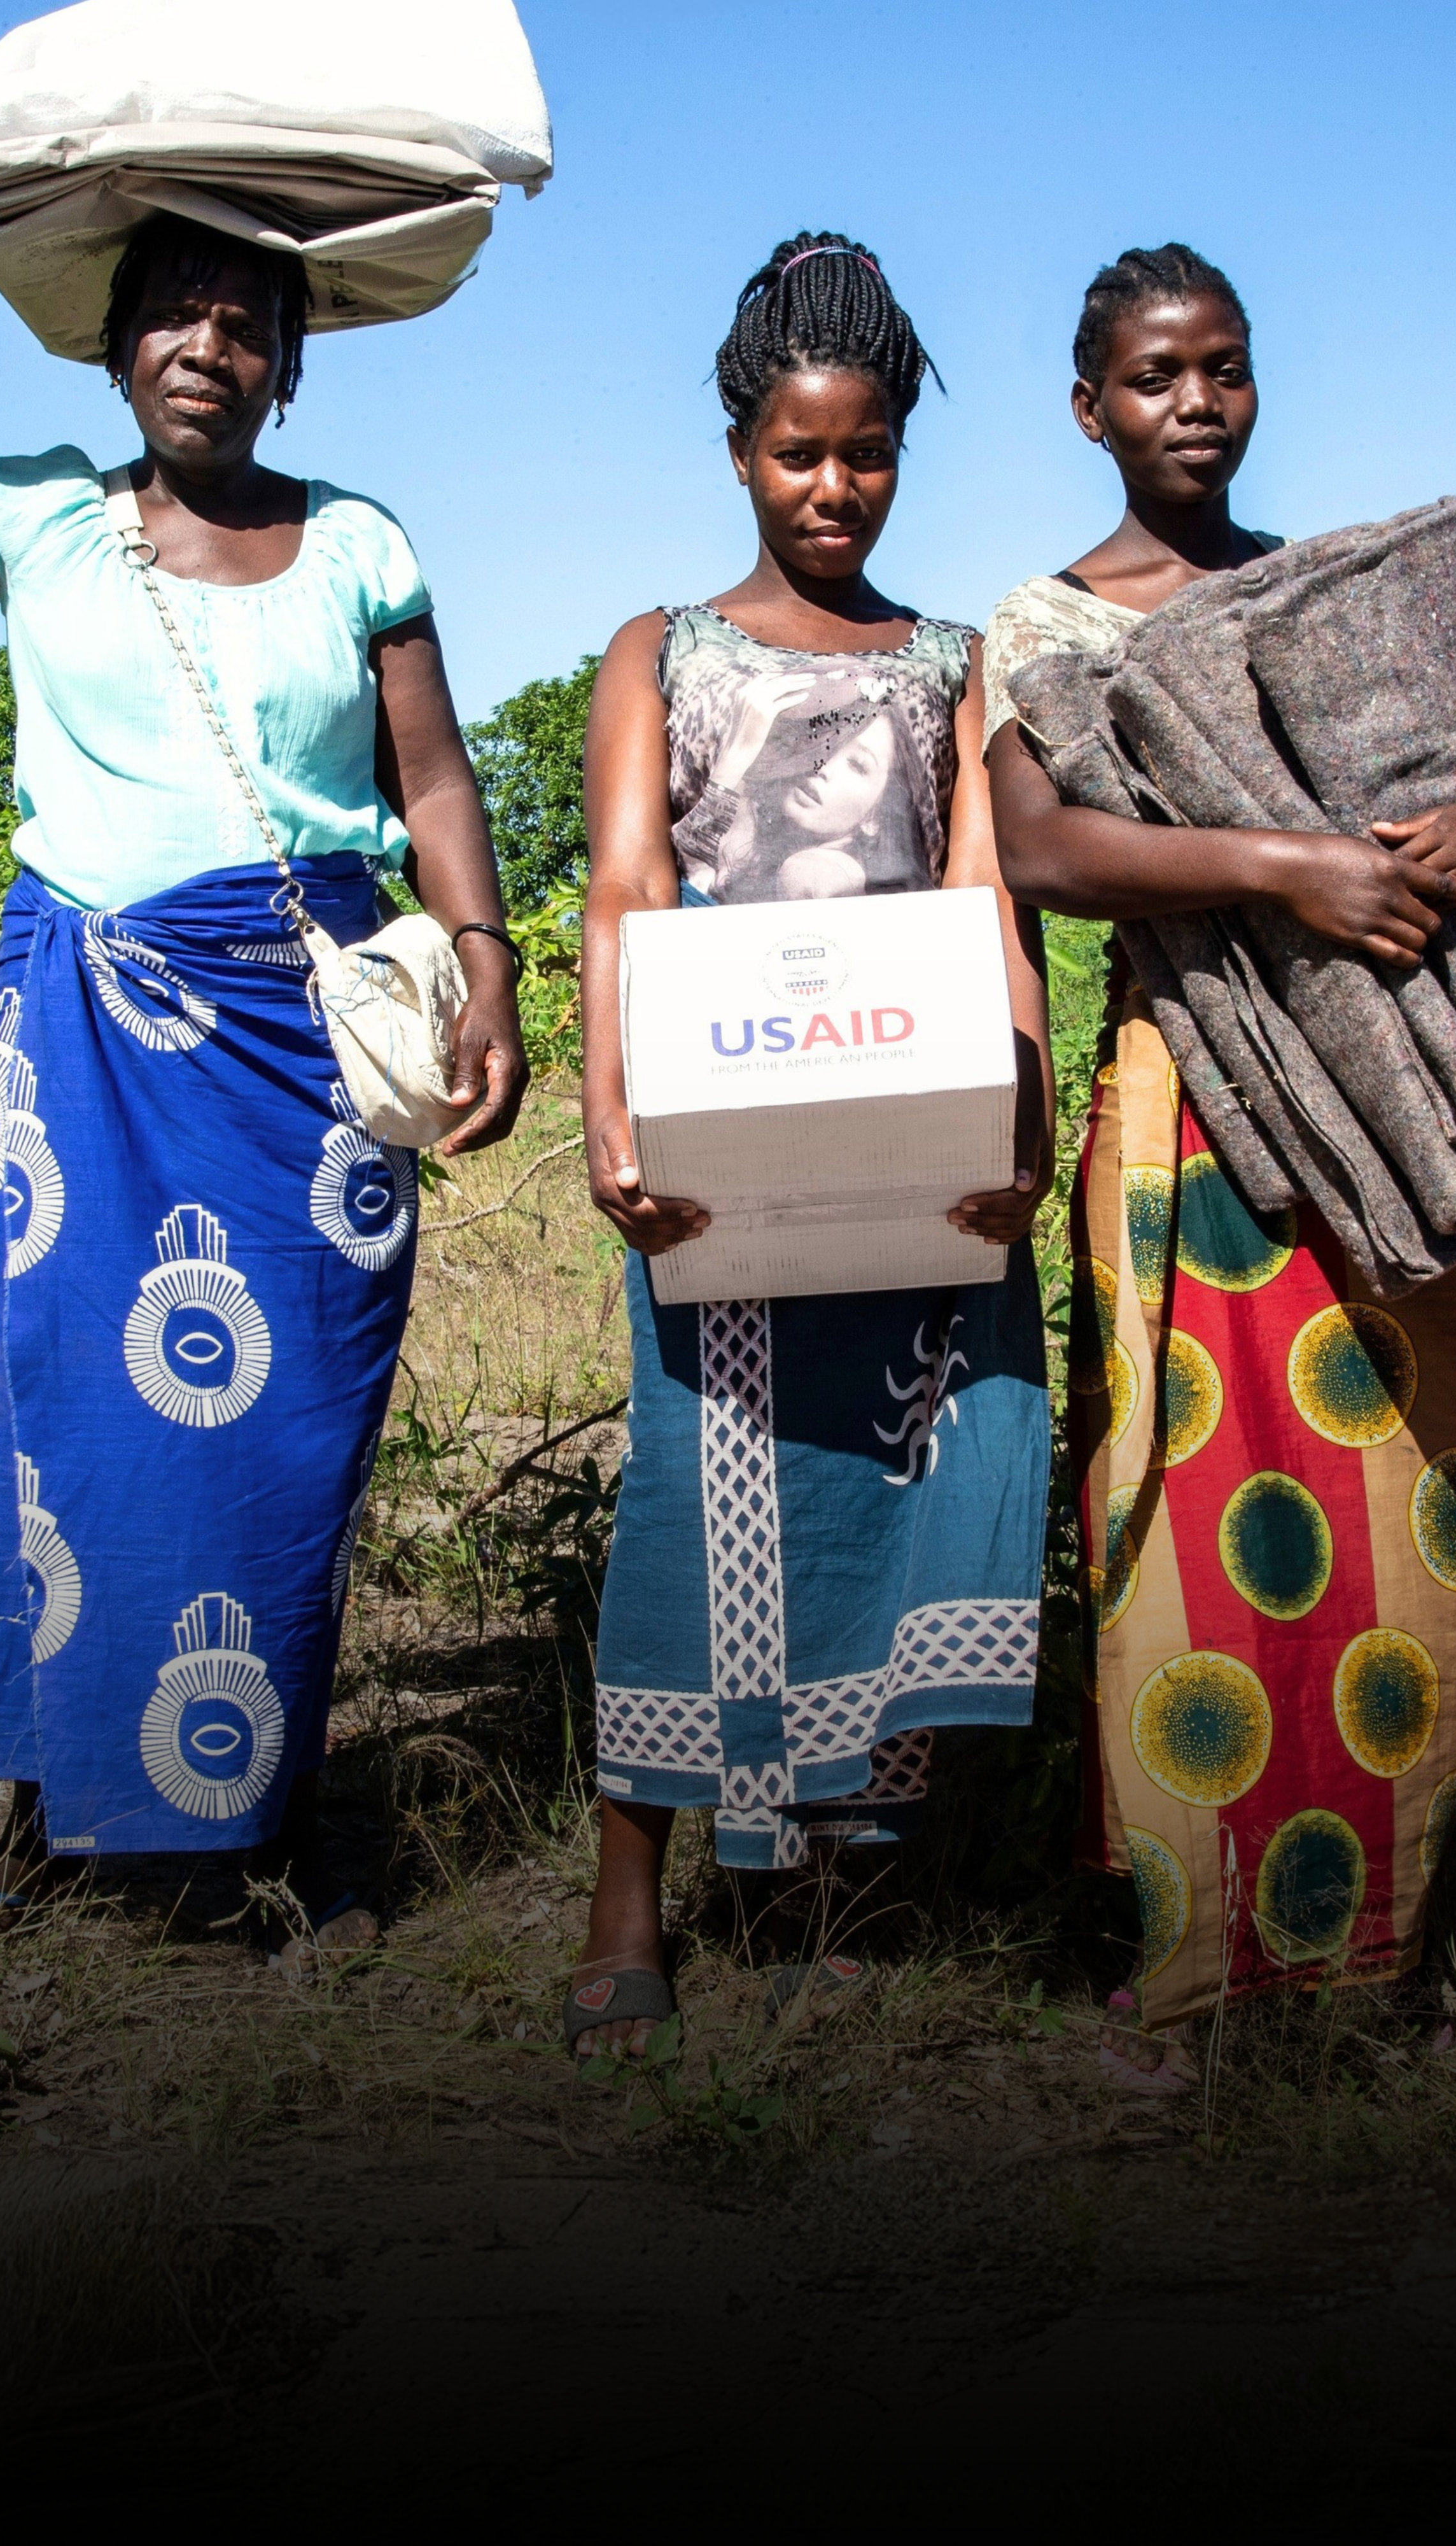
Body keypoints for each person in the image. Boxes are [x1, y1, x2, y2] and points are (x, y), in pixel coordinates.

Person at [0, 211, 528, 1929]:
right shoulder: (42, 516)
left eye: (246, 322)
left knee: (283, 1431)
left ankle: (240, 1821)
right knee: (56, 1416)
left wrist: (488, 969)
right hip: (84, 1035)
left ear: (288, 365)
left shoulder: (360, 543)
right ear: (112, 346)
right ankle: (53, 1813)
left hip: (297, 1053)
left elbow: (436, 781)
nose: (205, 346)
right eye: (172, 312)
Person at [988, 244, 1456, 2041]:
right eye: (1159, 376)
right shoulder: (1050, 622)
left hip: (1389, 1117)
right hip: (1195, 1113)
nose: (1198, 403)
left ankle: (1376, 1943)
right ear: (1091, 406)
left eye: (1226, 369)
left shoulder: (1329, 592)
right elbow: (1045, 849)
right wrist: (1292, 869)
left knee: (1409, 1492)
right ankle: (1195, 1960)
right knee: (1182, 1506)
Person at [560, 233, 1055, 2057]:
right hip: (718, 1163)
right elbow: (625, 894)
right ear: (739, 448)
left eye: (865, 454)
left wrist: (1025, 1112)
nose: (832, 487)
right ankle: (633, 1896)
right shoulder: (659, 654)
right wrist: (613, 1123)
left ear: (900, 451)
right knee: (697, 1503)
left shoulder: (953, 663)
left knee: (897, 1497)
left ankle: (844, 1881)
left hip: (918, 1154)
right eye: (797, 452)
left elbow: (987, 895)